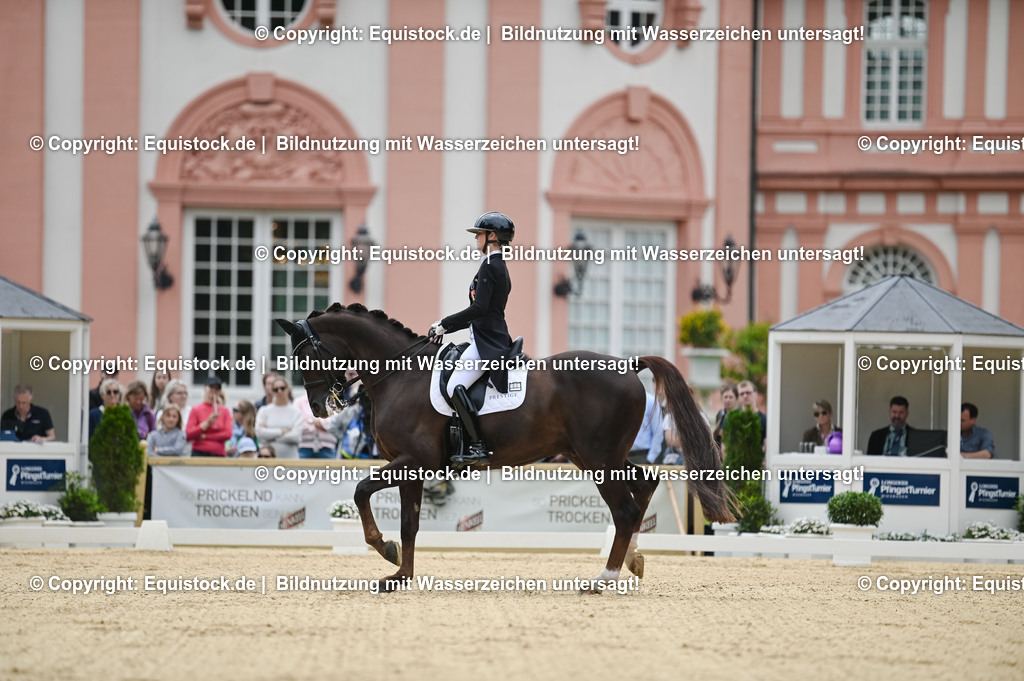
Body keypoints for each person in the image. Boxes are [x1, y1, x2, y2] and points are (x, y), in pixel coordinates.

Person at [427, 211, 516, 466]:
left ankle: (476, 445)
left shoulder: (490, 265)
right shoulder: (495, 265)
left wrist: (445, 324)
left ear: (492, 236)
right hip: (484, 336)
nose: (476, 238)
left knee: (455, 386)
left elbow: (479, 309)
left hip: (488, 342)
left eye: (479, 234)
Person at [255, 375, 302, 459]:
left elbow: (296, 437)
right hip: (268, 462)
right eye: (275, 389)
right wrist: (281, 431)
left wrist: (269, 437)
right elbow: (259, 433)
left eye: (282, 388)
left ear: (288, 389)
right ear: (272, 391)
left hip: (291, 460)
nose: (279, 391)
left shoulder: (296, 412)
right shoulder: (264, 410)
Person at [185, 376, 233, 457]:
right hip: (199, 452)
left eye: (217, 388)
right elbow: (188, 435)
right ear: (205, 388)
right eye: (211, 387)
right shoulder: (196, 410)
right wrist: (207, 422)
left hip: (218, 453)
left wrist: (205, 436)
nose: (214, 390)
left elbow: (228, 434)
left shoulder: (224, 411)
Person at [626, 392, 664, 465]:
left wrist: (650, 459)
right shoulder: (619, 398)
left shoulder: (650, 401)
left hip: (641, 456)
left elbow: (658, 432)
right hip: (620, 456)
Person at [295, 393, 338, 459]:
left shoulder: (333, 401)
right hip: (304, 448)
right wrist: (319, 424)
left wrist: (309, 421)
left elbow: (333, 424)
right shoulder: (298, 401)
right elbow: (297, 424)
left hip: (328, 448)